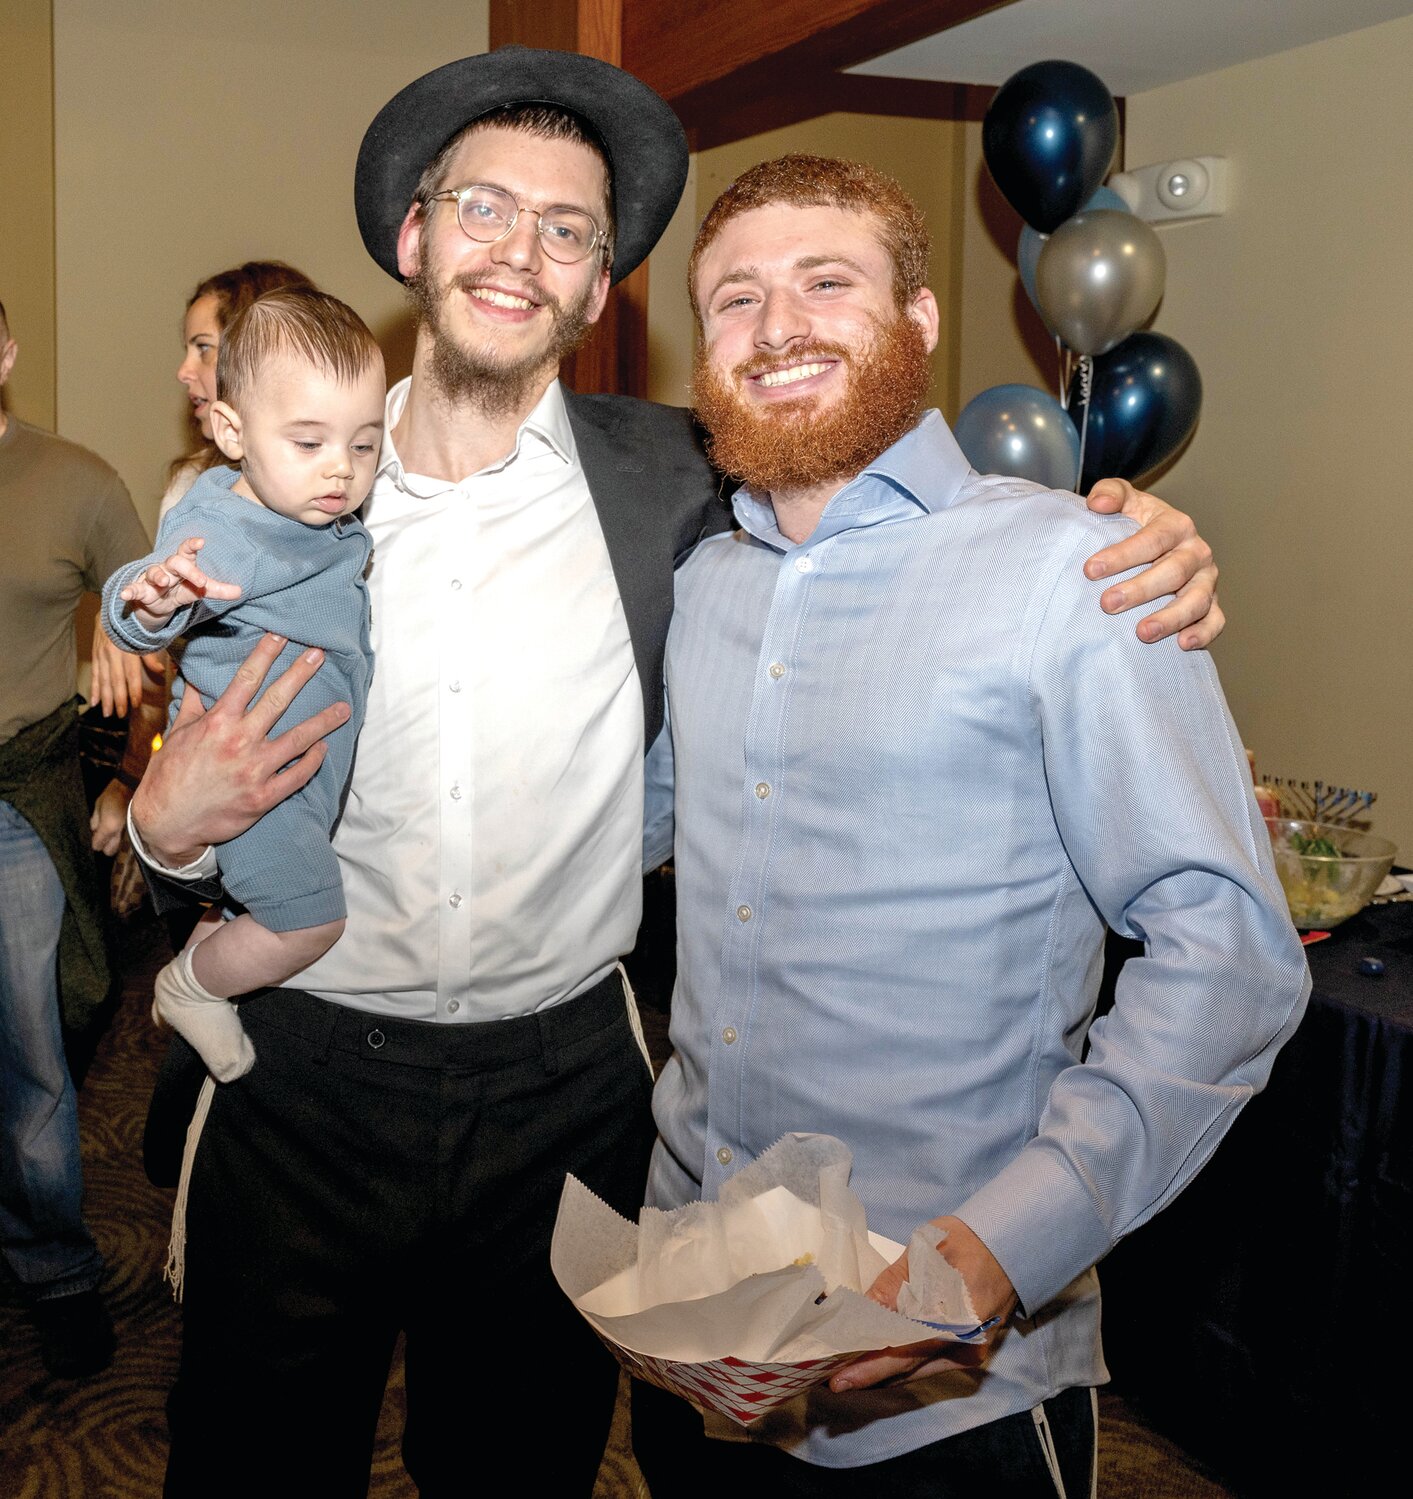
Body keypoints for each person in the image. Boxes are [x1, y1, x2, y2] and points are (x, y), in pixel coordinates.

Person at [127, 50, 1225, 1497]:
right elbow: (192, 745)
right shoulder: (273, 486)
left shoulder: (683, 488)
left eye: (568, 230)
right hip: (304, 1076)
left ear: (599, 293)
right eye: (482, 207)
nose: (520, 251)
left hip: (568, 1092)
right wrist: (159, 830)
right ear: (413, 236)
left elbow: (874, 503)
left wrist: (1140, 533)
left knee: (520, 1462)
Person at [630, 155, 1311, 1497]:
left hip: (945, 1374)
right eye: (734, 299)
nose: (778, 327)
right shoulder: (706, 581)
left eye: (827, 282)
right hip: (698, 1317)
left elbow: (1227, 957)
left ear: (921, 323)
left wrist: (997, 1250)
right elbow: (624, 837)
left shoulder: (1075, 571)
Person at [103, 288, 382, 1083]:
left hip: (302, 782)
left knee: (262, 908)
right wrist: (147, 600)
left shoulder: (319, 516)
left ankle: (211, 943)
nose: (341, 467)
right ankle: (191, 986)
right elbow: (155, 594)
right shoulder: (225, 526)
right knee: (310, 918)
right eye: (308, 442)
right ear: (232, 433)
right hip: (256, 792)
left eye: (364, 445)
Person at [0, 296, 151, 1377]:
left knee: (35, 1050)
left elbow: (165, 619)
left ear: (4, 351)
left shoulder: (79, 480)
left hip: (19, 801)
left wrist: (134, 764)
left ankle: (53, 1264)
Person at [88, 260, 315, 725]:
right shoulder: (191, 485)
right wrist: (123, 616)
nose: (183, 371)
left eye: (204, 349)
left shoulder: (334, 484)